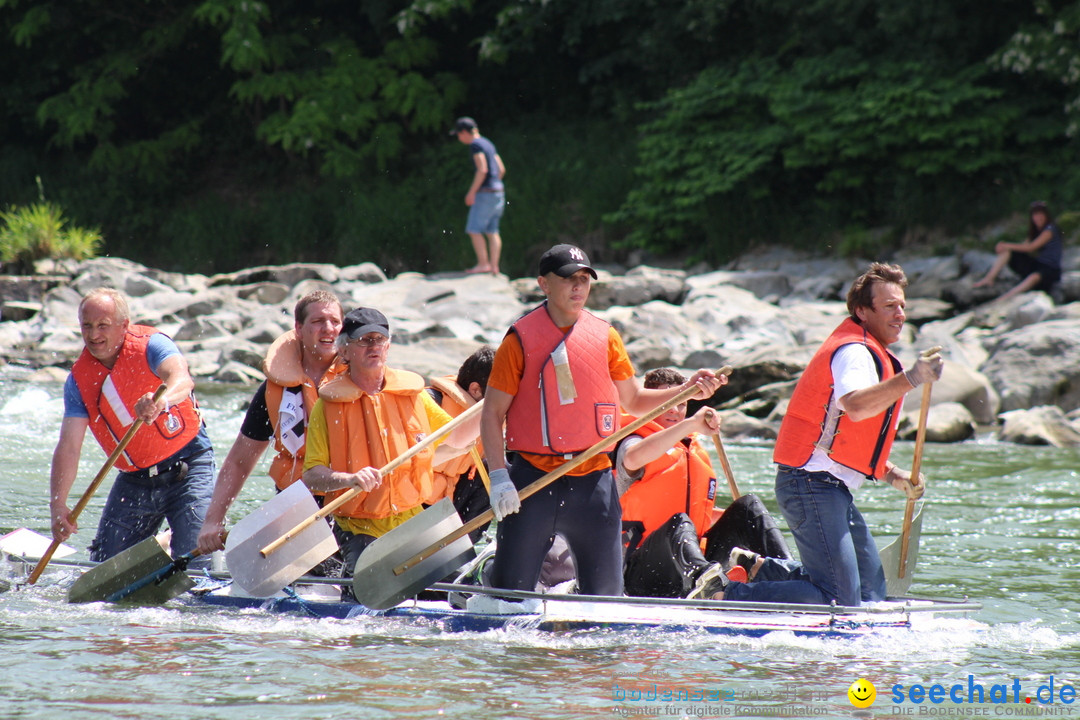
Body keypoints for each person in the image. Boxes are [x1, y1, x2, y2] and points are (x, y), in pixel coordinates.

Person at [480, 243, 723, 597]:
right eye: (567, 279)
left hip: (593, 484)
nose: (578, 287)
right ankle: (488, 577)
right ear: (543, 284)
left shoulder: (606, 336)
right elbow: (492, 413)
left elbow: (635, 400)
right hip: (532, 480)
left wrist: (688, 390)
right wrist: (500, 477)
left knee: (606, 600)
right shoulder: (518, 341)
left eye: (584, 279)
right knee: (508, 599)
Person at [719, 262, 942, 606]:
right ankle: (724, 593)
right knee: (840, 597)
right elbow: (854, 406)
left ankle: (762, 570)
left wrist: (893, 474)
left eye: (902, 306)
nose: (900, 314)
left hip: (829, 486)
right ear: (862, 311)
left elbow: (847, 439)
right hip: (809, 483)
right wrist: (911, 378)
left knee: (870, 592)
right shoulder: (854, 352)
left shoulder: (870, 349)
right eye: (889, 306)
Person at [301, 307, 480, 587]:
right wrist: (350, 479)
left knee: (461, 590)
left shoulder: (413, 395)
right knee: (367, 594)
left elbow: (457, 438)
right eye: (364, 340)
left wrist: (498, 408)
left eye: (379, 339)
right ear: (345, 351)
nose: (374, 346)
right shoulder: (326, 407)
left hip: (414, 520)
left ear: (388, 346)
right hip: (360, 528)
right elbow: (311, 475)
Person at [48, 287, 215, 563]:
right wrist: (58, 505)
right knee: (103, 572)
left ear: (124, 326)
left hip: (189, 465)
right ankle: (161, 542)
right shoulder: (78, 381)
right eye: (86, 326)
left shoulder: (152, 345)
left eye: (103, 326)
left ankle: (175, 542)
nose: (93, 335)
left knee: (195, 566)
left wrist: (161, 401)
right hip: (135, 480)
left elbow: (182, 379)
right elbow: (69, 446)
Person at [616, 368, 793, 599]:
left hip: (692, 563)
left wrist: (734, 523)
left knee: (748, 507)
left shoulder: (694, 451)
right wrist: (690, 424)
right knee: (679, 523)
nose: (675, 410)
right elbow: (632, 458)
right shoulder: (632, 441)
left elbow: (699, 514)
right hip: (643, 572)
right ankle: (710, 586)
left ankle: (787, 572)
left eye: (681, 404)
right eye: (667, 402)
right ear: (646, 404)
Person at [195, 291, 345, 556]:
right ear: (298, 329)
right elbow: (239, 461)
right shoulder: (272, 391)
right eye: (318, 321)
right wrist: (213, 521)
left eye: (335, 321)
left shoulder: (361, 381)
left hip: (349, 502)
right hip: (296, 503)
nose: (328, 329)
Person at [425, 345, 495, 543]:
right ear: (475, 389)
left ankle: (462, 548)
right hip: (413, 503)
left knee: (497, 472)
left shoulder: (494, 421)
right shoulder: (431, 403)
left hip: (448, 500)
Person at [972, 200, 1064, 302]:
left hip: (1051, 269)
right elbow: (1024, 246)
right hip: (1038, 264)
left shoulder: (1050, 229)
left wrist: (1006, 245)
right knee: (1007, 252)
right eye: (1035, 215)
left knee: (1034, 276)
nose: (1038, 218)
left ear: (1046, 215)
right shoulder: (1035, 231)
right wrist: (1005, 247)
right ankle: (989, 278)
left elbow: (1031, 247)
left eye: (1040, 214)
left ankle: (1006, 298)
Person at [450, 116, 506, 276]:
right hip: (498, 191)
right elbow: (501, 169)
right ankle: (494, 267)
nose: (459, 138)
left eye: (458, 134)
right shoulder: (488, 143)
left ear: (464, 132)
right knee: (492, 230)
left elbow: (482, 169)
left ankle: (483, 264)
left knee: (474, 229)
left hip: (485, 193)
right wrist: (494, 184)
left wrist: (472, 192)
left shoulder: (475, 145)